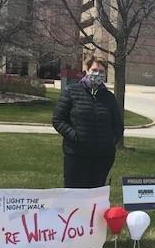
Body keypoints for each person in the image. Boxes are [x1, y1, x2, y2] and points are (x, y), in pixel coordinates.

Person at [52, 58, 124, 188]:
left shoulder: (109, 97)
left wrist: (111, 141)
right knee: (74, 193)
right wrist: (75, 136)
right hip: (76, 154)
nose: (97, 74)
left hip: (103, 156)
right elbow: (58, 120)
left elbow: (118, 125)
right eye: (94, 70)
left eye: (101, 71)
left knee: (95, 195)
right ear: (86, 70)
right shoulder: (71, 91)